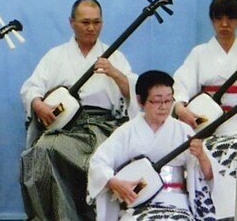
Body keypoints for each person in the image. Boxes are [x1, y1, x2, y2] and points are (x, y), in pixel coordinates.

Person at [20, 0, 138, 220]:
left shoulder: (114, 56)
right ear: (71, 22)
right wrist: (39, 105)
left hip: (104, 126)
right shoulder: (56, 55)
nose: (91, 28)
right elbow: (31, 88)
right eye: (85, 22)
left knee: (105, 157)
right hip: (67, 128)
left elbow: (134, 92)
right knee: (43, 150)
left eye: (96, 22)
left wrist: (115, 73)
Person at [88, 70, 215, 220]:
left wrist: (201, 155)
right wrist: (115, 183)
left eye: (168, 100)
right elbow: (98, 163)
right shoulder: (127, 131)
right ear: (140, 101)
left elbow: (208, 175)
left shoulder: (183, 131)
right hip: (138, 205)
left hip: (177, 204)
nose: (164, 107)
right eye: (157, 101)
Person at [173, 0, 237, 219]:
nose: (225, 24)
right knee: (200, 156)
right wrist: (181, 108)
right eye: (219, 18)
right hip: (208, 125)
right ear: (212, 20)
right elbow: (180, 86)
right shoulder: (199, 53)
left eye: (230, 18)